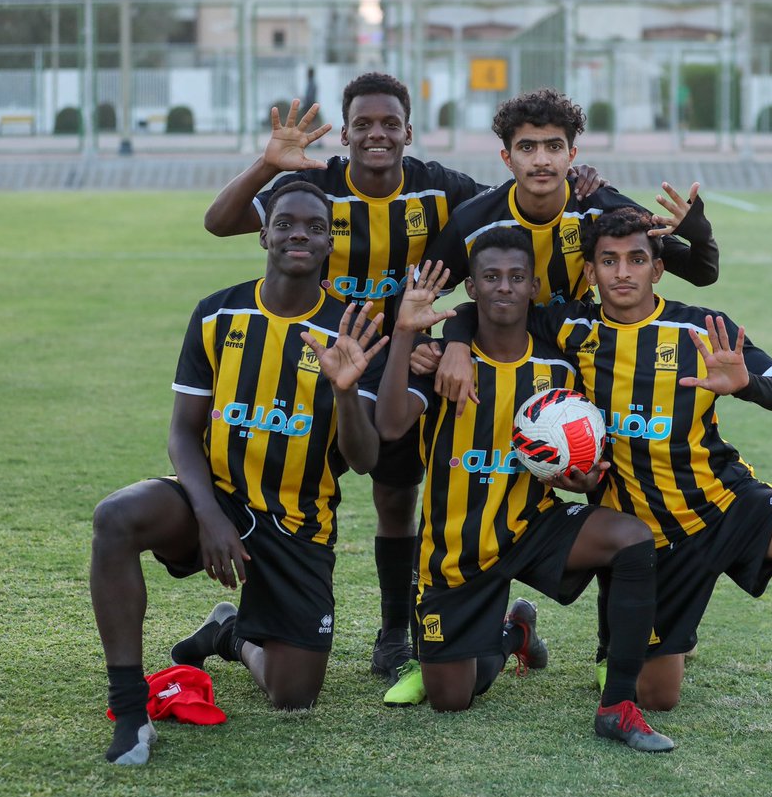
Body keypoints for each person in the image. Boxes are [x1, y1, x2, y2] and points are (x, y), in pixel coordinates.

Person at [441, 207, 772, 771]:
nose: (623, 273)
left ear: (657, 269)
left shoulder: (700, 328)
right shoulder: (572, 328)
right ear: (588, 272)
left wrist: (746, 384)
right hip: (647, 540)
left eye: (637, 260)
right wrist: (453, 343)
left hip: (723, 503)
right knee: (658, 696)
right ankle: (609, 636)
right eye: (608, 261)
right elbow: (484, 309)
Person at [200, 73, 609, 700]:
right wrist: (264, 164)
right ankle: (275, 621)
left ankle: (397, 634)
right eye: (363, 124)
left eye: (390, 123)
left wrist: (577, 189)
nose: (377, 135)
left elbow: (507, 208)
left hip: (404, 363)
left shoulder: (439, 189)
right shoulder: (316, 186)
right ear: (345, 131)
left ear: (408, 132)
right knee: (314, 490)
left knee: (412, 494)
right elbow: (218, 222)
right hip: (319, 359)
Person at [90, 181, 387, 765]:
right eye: (285, 223)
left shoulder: (352, 329)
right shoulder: (218, 312)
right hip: (215, 499)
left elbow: (364, 460)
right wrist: (209, 517)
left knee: (294, 693)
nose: (298, 233)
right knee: (115, 517)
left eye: (314, 227)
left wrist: (347, 393)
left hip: (297, 521)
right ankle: (129, 710)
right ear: (264, 235)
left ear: (330, 244)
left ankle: (229, 633)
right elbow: (182, 433)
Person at [371, 228, 674, 752]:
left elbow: (581, 443)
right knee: (451, 698)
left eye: (516, 277)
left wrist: (583, 477)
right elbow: (392, 425)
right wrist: (404, 335)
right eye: (490, 277)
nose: (504, 287)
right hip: (456, 552)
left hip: (533, 526)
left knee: (630, 536)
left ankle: (618, 700)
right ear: (472, 287)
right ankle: (515, 633)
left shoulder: (558, 367)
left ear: (535, 286)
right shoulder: (444, 361)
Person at [420, 87, 718, 419]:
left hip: (578, 352)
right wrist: (437, 345)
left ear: (571, 155)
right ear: (507, 158)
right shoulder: (473, 220)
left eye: (554, 147)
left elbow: (701, 272)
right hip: (496, 355)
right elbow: (419, 296)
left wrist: (701, 236)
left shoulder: (602, 208)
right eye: (527, 147)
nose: (542, 160)